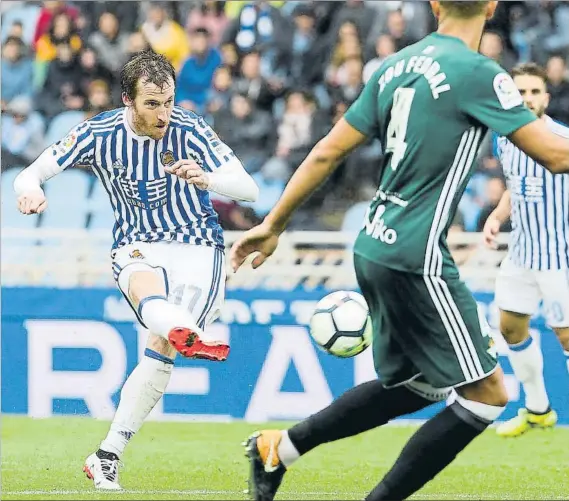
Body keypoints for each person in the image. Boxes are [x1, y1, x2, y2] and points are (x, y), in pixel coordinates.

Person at [230, 2, 569, 500]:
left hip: (374, 244)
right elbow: (557, 154)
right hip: (418, 256)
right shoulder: (480, 73)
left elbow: (326, 149)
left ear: (433, 4)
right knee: (488, 394)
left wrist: (272, 223)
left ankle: (279, 448)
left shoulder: (394, 66)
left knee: (422, 384)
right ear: (493, 7)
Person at [14, 49, 258, 490]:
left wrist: (207, 178)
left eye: (168, 101)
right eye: (152, 104)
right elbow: (30, 173)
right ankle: (186, 330)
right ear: (127, 100)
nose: (163, 113)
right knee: (151, 300)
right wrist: (29, 189)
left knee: (160, 348)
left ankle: (107, 454)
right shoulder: (99, 132)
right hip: (136, 242)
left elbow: (248, 188)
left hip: (197, 244)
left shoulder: (189, 126)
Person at [483, 62, 569, 438]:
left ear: (546, 98)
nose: (528, 98)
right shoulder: (504, 137)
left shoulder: (561, 140)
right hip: (521, 254)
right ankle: (537, 410)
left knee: (566, 335)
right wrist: (497, 216)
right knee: (510, 326)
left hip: (558, 257)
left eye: (534, 91)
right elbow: (514, 185)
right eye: (521, 92)